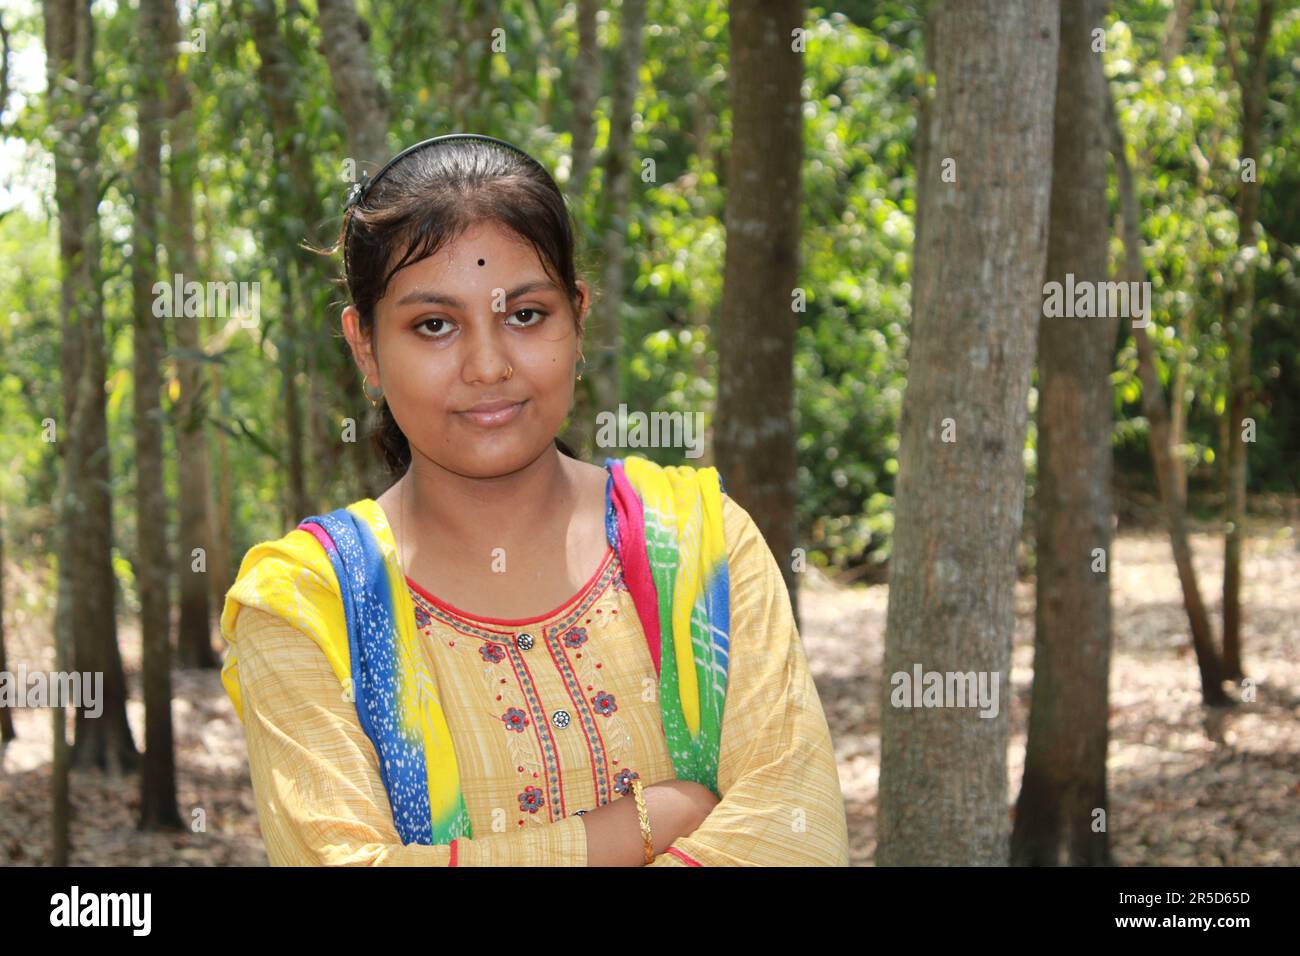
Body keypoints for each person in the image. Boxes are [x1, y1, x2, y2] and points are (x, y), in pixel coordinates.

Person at [219, 133, 849, 866]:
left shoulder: (702, 544)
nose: (488, 366)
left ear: (577, 317)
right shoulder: (304, 606)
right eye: (434, 325)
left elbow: (796, 836)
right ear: (365, 348)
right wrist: (637, 826)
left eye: (525, 315)